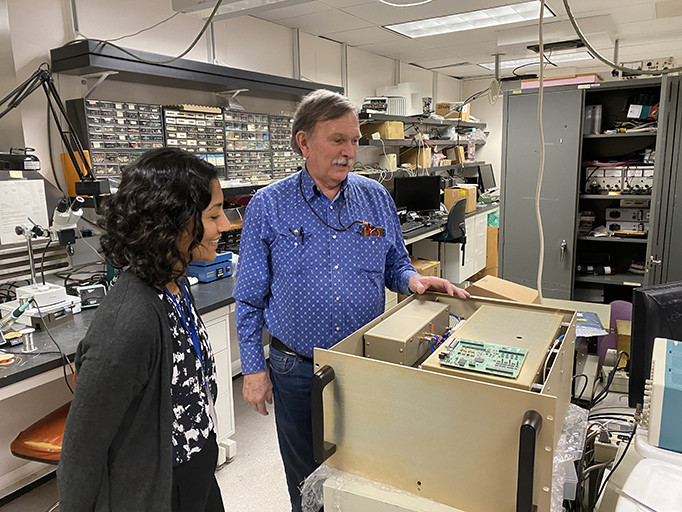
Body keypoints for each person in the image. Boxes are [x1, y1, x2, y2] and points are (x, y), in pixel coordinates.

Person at [233, 89, 469, 511]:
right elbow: (249, 297)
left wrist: (412, 280)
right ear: (304, 142)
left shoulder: (375, 198)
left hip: (363, 362)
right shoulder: (269, 205)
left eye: (355, 140)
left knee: (363, 473)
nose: (349, 151)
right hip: (297, 367)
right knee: (307, 478)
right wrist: (252, 368)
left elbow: (395, 263)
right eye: (337, 140)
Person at [58, 148, 230, 512]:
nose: (225, 225)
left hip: (195, 462)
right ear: (174, 223)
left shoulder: (174, 284)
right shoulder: (128, 324)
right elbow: (81, 450)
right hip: (160, 488)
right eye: (214, 215)